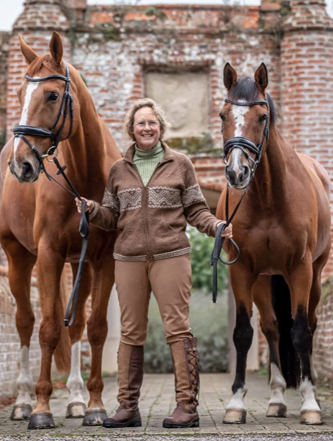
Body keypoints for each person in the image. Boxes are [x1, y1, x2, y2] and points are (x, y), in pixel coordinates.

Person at [75, 98, 233, 429]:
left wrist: (216, 225)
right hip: (128, 259)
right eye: (140, 123)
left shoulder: (180, 164)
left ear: (161, 127)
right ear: (131, 130)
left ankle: (187, 407)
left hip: (171, 256)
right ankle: (128, 407)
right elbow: (111, 216)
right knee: (131, 332)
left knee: (178, 329)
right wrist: (92, 210)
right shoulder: (118, 169)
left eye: (152, 123)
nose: (146, 128)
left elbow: (196, 210)